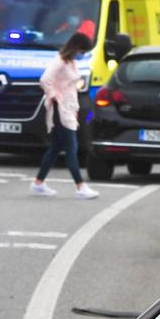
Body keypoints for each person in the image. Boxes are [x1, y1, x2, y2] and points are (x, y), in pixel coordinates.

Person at [31, 32, 99, 200]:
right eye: (82, 51)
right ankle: (80, 186)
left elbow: (69, 83)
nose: (82, 55)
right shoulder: (60, 62)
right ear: (76, 47)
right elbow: (45, 79)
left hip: (68, 108)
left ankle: (39, 182)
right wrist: (54, 95)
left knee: (55, 148)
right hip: (61, 109)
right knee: (71, 148)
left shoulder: (70, 62)